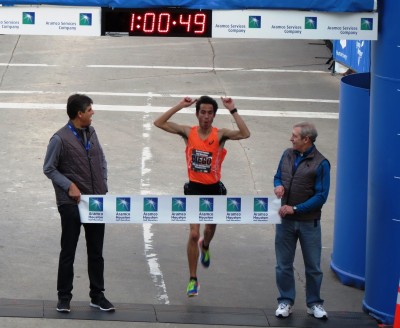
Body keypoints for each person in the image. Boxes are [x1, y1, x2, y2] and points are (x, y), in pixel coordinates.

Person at [154, 96, 250, 297]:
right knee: (194, 234)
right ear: (197, 114)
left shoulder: (221, 134)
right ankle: (193, 279)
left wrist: (232, 109)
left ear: (214, 115)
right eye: (202, 112)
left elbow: (245, 133)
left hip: (214, 190)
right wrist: (181, 105)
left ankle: (205, 246)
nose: (206, 117)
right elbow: (159, 122)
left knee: (209, 229)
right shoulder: (189, 132)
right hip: (194, 190)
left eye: (210, 113)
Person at [43, 94, 115, 313]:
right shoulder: (59, 138)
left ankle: (97, 295)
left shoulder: (92, 132)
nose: (93, 112)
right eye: (90, 109)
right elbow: (49, 168)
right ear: (79, 114)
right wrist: (69, 186)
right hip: (71, 203)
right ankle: (64, 297)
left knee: (96, 252)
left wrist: (103, 184)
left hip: (95, 201)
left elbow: (101, 158)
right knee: (69, 251)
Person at [273, 122, 330, 320]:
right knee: (283, 264)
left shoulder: (321, 163)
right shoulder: (287, 154)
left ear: (306, 139)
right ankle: (285, 301)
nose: (291, 139)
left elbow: (321, 196)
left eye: (294, 136)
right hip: (285, 222)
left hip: (309, 223)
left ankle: (314, 304)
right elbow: (278, 176)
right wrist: (278, 186)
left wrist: (295, 208)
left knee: (313, 266)